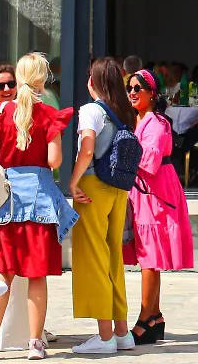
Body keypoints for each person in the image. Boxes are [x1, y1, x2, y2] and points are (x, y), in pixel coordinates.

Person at [0, 52, 76, 361]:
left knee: (3, 273)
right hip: (39, 202)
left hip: (7, 203)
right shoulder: (48, 113)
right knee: (37, 276)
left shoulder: (2, 111)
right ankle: (35, 343)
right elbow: (54, 161)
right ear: (42, 80)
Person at [70, 58, 137, 355]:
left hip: (93, 185)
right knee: (112, 257)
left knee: (94, 256)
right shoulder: (124, 111)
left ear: (93, 81)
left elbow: (87, 147)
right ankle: (122, 332)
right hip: (118, 187)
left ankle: (105, 335)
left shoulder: (91, 110)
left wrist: (73, 182)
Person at [123, 69, 190, 345]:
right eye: (130, 88)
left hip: (156, 192)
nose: (132, 92)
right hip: (144, 191)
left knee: (150, 258)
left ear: (152, 93)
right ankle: (155, 317)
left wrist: (123, 149)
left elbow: (149, 161)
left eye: (138, 88)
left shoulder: (157, 122)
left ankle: (143, 320)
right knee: (148, 257)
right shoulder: (138, 120)